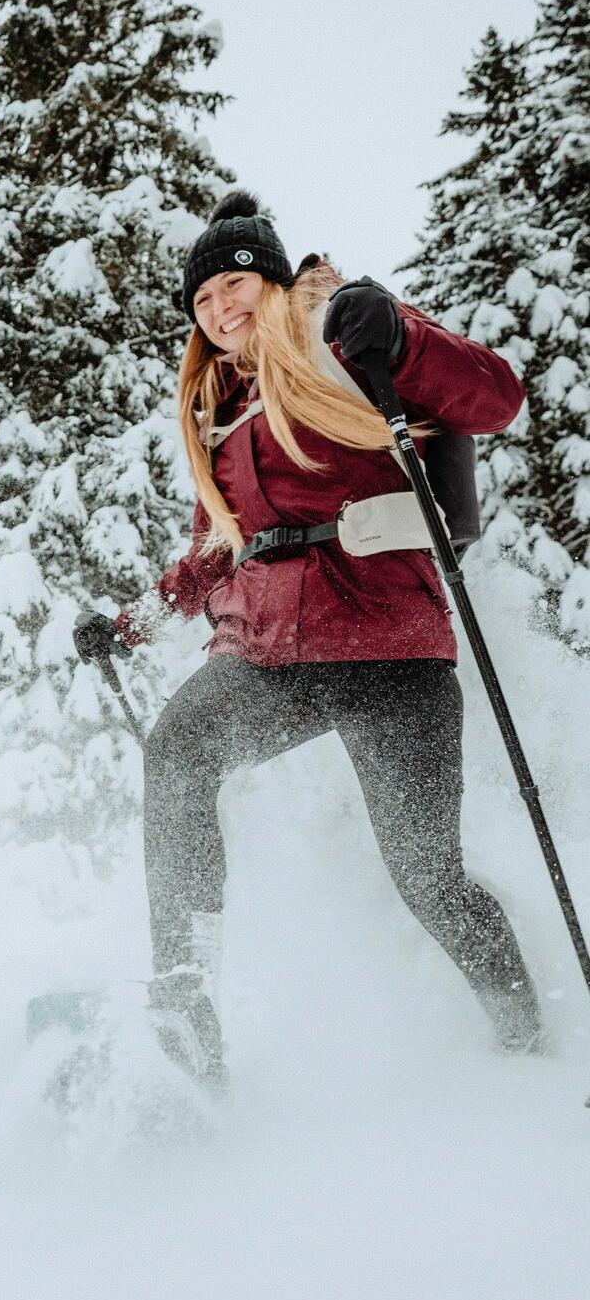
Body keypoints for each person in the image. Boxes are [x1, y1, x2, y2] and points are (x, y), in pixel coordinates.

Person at [73, 191, 543, 1082]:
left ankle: (524, 1031)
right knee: (177, 752)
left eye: (235, 283)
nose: (220, 309)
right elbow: (218, 546)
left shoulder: (347, 336)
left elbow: (496, 399)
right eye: (203, 302)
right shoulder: (223, 414)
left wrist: (403, 340)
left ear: (274, 280)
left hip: (387, 646)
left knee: (428, 879)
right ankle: (183, 1000)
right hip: (266, 656)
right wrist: (131, 625)